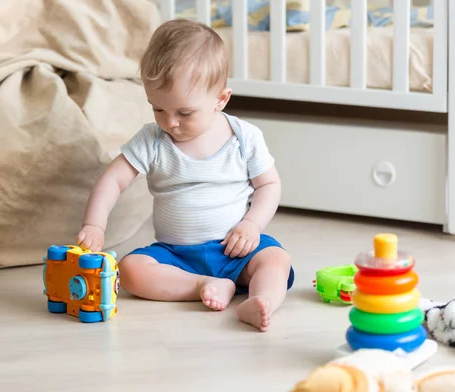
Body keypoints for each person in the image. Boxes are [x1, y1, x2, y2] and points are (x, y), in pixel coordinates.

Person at [76, 19, 294, 331]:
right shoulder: (151, 140)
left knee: (275, 260)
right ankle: (202, 285)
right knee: (130, 270)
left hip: (236, 250)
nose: (170, 123)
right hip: (176, 256)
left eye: (184, 113)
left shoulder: (244, 137)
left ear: (221, 99)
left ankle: (261, 303)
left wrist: (252, 225)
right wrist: (94, 225)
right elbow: (113, 179)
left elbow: (269, 185)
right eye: (158, 109)